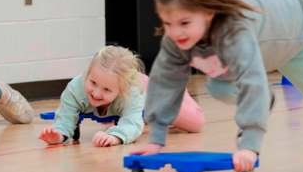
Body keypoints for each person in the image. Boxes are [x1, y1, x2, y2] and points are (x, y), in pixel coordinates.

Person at [133, 0, 303, 172]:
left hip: (296, 39)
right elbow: (165, 83)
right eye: (167, 23)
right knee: (220, 88)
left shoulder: (235, 32)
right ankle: (264, 97)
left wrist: (249, 146)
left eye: (184, 23)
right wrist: (156, 139)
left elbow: (252, 81)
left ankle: (264, 98)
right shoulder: (176, 39)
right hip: (258, 44)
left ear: (208, 13)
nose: (175, 32)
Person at [39, 45, 204, 147]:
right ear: (88, 72)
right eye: (93, 82)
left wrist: (116, 136)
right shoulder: (75, 88)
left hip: (151, 90)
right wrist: (58, 134)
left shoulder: (132, 92)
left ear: (121, 90)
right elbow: (65, 118)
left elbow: (132, 123)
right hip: (129, 92)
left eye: (106, 89)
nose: (96, 93)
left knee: (195, 123)